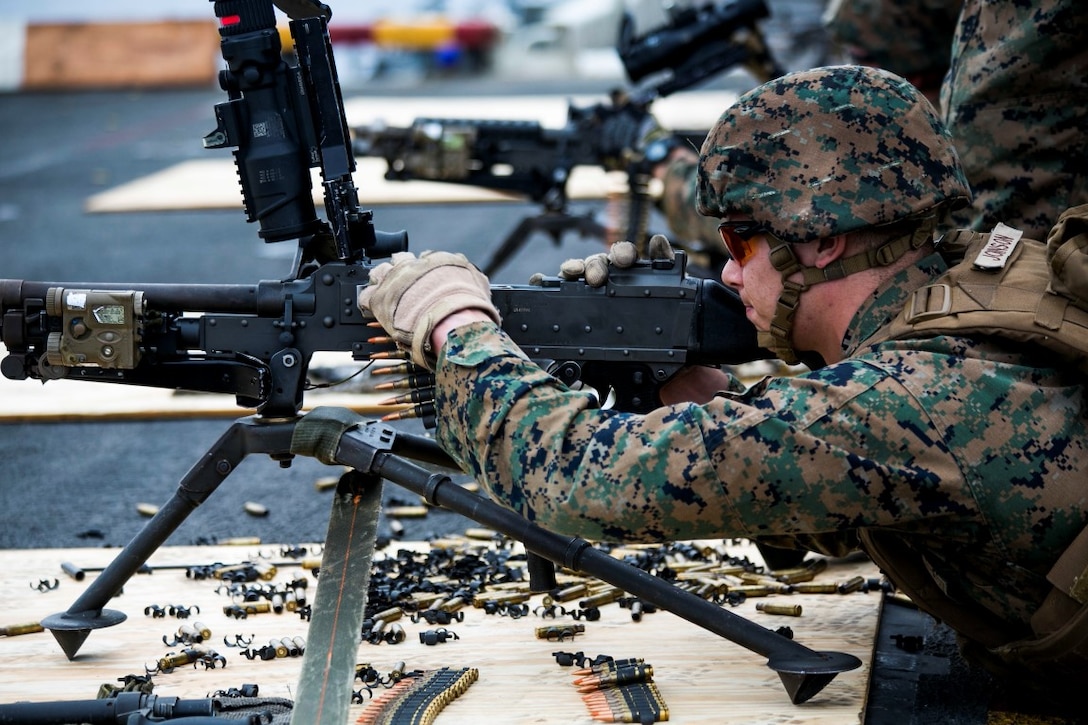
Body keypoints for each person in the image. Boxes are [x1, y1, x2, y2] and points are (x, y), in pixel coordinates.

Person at [358, 66, 1088, 689]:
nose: (730, 270)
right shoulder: (992, 271)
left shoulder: (906, 399)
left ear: (825, 240)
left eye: (741, 238)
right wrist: (705, 397)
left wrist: (454, 326)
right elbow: (876, 487)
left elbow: (579, 480)